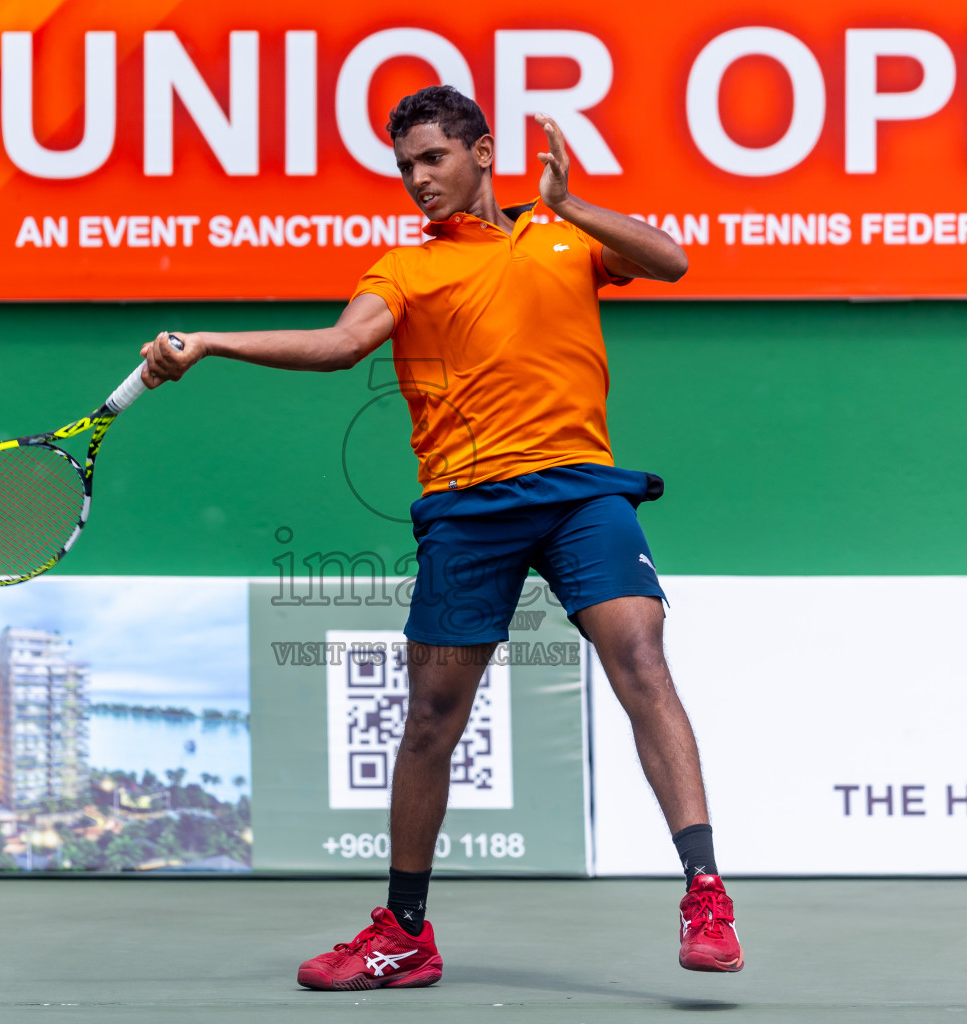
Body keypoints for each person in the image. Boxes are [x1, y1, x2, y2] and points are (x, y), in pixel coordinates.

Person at [139, 85, 743, 988]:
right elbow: (344, 344)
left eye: (433, 159)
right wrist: (214, 342)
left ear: (483, 151)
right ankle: (405, 931)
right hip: (468, 508)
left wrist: (570, 202)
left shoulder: (561, 236)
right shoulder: (407, 268)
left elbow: (672, 261)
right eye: (406, 167)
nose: (418, 180)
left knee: (641, 655)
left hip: (581, 490)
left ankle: (705, 892)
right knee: (430, 719)